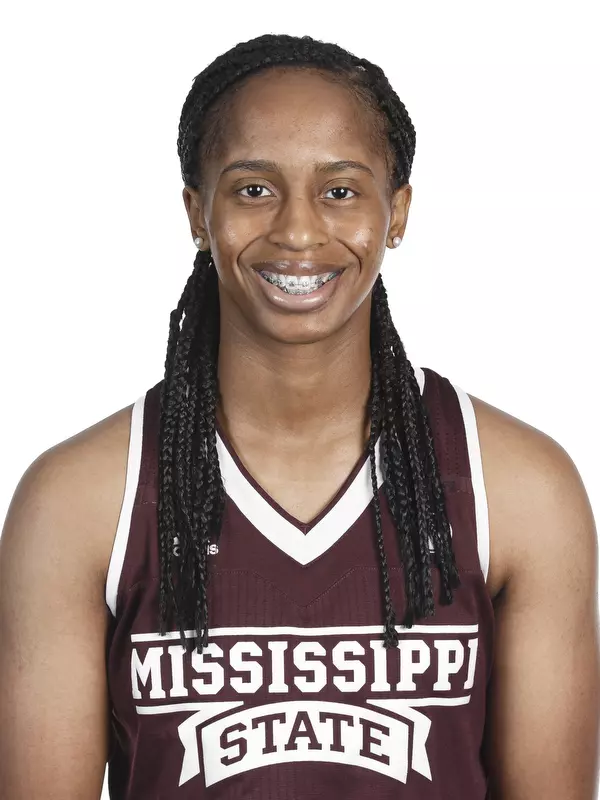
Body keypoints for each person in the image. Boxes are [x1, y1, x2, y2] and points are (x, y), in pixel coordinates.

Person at [0, 31, 598, 800]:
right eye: (253, 188)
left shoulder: (518, 490)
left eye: (341, 189)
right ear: (196, 210)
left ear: (398, 210)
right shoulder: (78, 502)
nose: (298, 230)